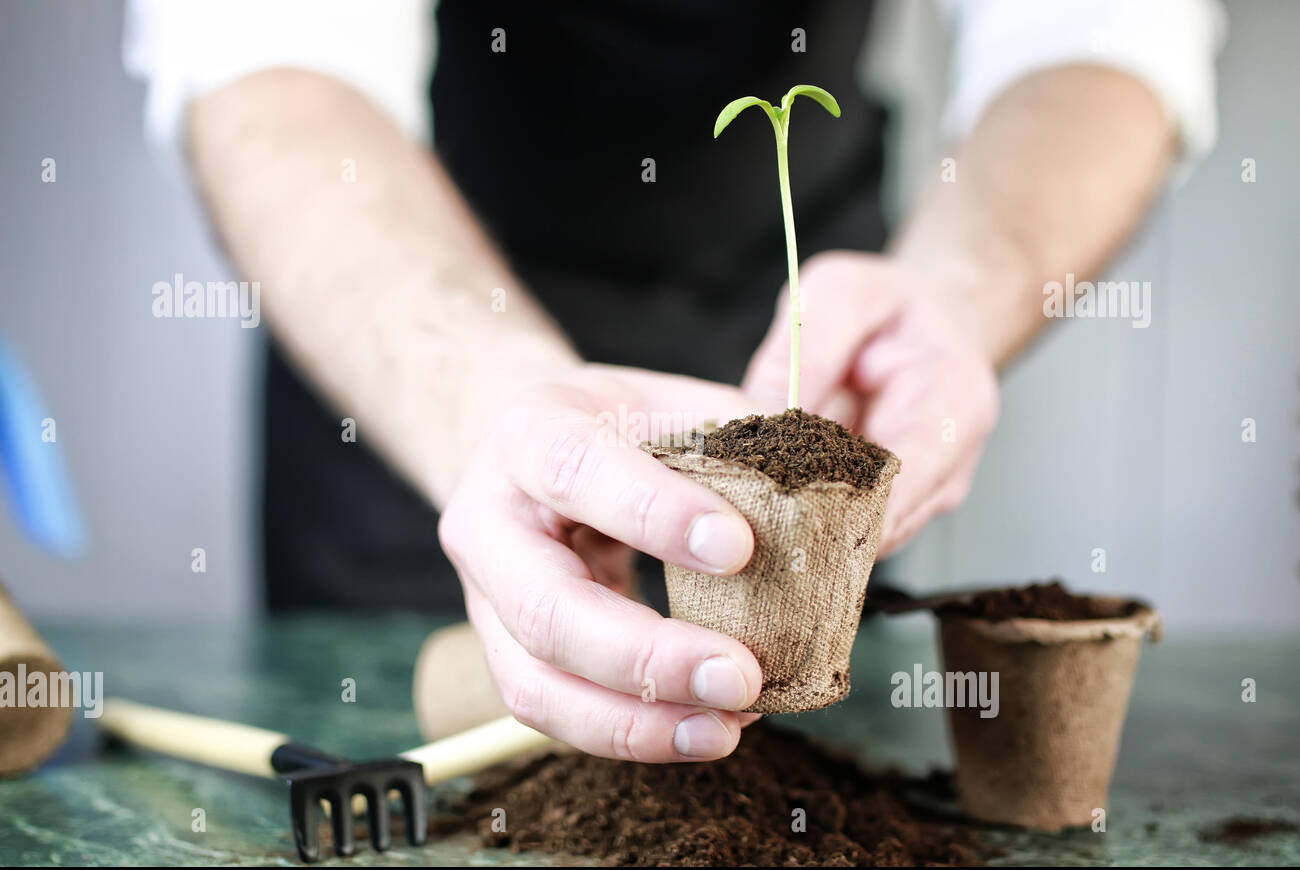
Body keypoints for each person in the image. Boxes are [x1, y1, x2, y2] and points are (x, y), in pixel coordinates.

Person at [125, 0, 1223, 763]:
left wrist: (953, 296)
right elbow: (267, 52)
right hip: (426, 328)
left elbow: (1097, 29)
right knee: (417, 742)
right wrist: (483, 397)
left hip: (809, 312)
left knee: (778, 750)